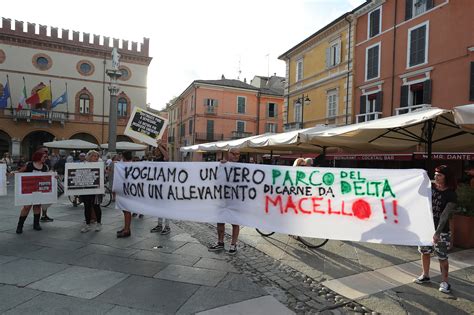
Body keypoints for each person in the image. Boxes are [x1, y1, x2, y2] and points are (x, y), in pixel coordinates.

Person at [414, 165, 457, 294]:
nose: (436, 177)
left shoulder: (451, 194)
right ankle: (425, 275)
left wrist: (437, 233)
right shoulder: (430, 188)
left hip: (441, 230)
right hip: (426, 227)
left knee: (442, 256)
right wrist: (421, 176)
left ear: (446, 177)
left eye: (439, 175)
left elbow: (445, 215)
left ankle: (445, 282)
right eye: (435, 174)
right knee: (424, 252)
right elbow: (417, 192)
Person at [208, 148, 241, 255]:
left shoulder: (243, 167)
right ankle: (220, 242)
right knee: (220, 219)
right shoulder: (221, 165)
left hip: (235, 198)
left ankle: (233, 244)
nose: (236, 156)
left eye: (238, 154)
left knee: (235, 221)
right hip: (222, 197)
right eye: (234, 153)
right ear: (228, 153)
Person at [15, 150, 49, 234]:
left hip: (39, 190)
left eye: (46, 157)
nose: (46, 158)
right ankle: (20, 226)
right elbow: (20, 172)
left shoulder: (45, 167)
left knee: (37, 206)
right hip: (28, 190)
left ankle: (36, 224)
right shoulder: (29, 165)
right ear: (38, 156)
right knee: (27, 207)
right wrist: (12, 173)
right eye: (44, 157)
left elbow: (47, 177)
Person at [150, 141, 171, 235]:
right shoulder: (156, 158)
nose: (156, 151)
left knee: (166, 206)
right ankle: (159, 225)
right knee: (159, 206)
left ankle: (167, 226)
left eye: (158, 150)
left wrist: (160, 146)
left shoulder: (164, 158)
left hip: (165, 185)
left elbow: (167, 156)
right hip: (157, 185)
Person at [79, 150, 103, 233]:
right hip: (86, 189)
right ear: (89, 157)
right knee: (87, 206)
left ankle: (99, 223)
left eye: (97, 156)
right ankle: (87, 224)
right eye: (94, 156)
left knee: (96, 206)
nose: (96, 157)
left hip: (96, 189)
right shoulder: (83, 165)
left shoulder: (100, 165)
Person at [117, 151, 133, 238]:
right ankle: (126, 228)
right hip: (125, 189)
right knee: (125, 210)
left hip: (127, 190)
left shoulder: (126, 165)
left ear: (123, 156)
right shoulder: (125, 164)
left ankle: (127, 229)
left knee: (126, 210)